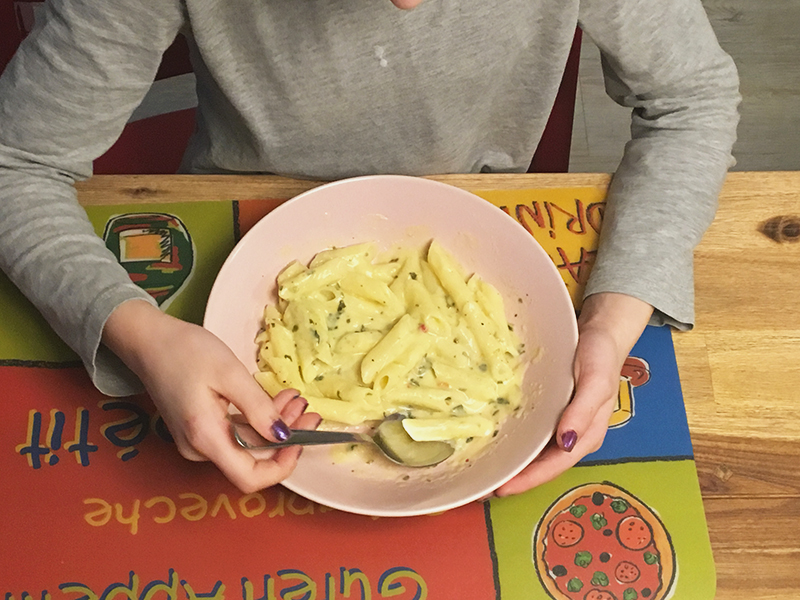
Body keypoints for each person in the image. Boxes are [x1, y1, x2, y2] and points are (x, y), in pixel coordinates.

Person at [0, 0, 739, 495]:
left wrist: (613, 319)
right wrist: (142, 335)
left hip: (488, 246)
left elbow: (692, 98)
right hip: (230, 276)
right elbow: (14, 162)